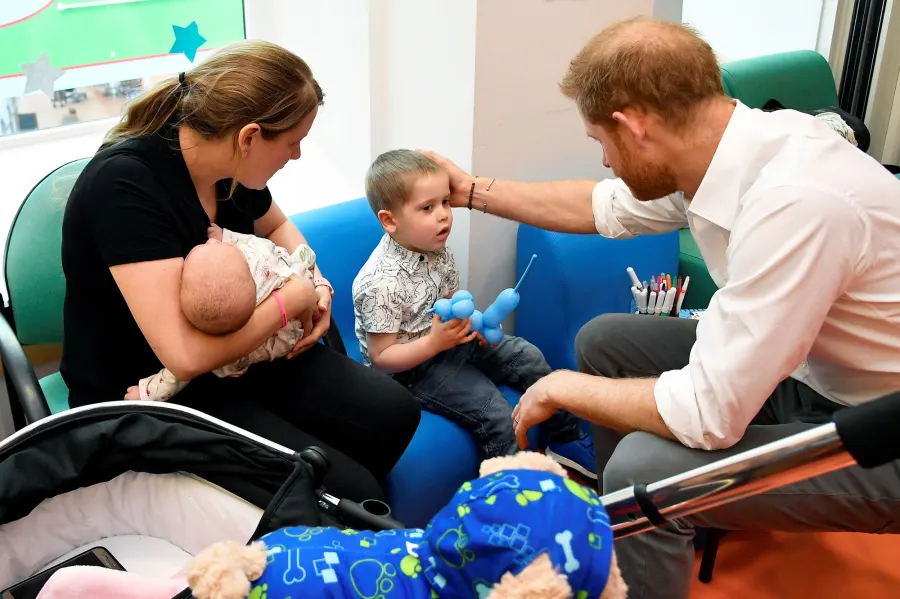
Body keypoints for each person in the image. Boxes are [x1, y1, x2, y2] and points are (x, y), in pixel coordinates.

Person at [419, 16, 900, 599]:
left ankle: (654, 516)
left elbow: (709, 412)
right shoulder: (730, 145)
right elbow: (601, 206)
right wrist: (469, 190)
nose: (603, 160)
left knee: (641, 474)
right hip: (808, 370)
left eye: (600, 141)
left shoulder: (796, 203)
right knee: (605, 342)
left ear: (634, 126)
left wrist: (560, 387)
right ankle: (637, 533)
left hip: (877, 430)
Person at [61, 40, 420, 504]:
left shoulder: (226, 167)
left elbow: (278, 225)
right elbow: (187, 356)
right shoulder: (124, 186)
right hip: (154, 390)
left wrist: (316, 279)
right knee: (350, 490)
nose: (295, 157)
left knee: (394, 412)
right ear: (249, 137)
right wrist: (289, 302)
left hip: (240, 353)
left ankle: (315, 521)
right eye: (292, 143)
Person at [352, 149, 596, 477]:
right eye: (427, 208)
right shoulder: (378, 282)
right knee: (495, 413)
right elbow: (382, 359)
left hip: (453, 341)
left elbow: (454, 299)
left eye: (444, 203)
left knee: (529, 357)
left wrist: (473, 322)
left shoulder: (438, 250)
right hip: (412, 370)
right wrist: (435, 344)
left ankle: (566, 439)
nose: (443, 216)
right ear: (389, 220)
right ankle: (507, 487)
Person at [126, 224, 318, 402]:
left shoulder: (206, 352)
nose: (210, 241)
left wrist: (145, 393)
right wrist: (226, 236)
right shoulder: (263, 270)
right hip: (295, 335)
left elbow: (172, 378)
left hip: (248, 364)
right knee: (302, 257)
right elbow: (257, 246)